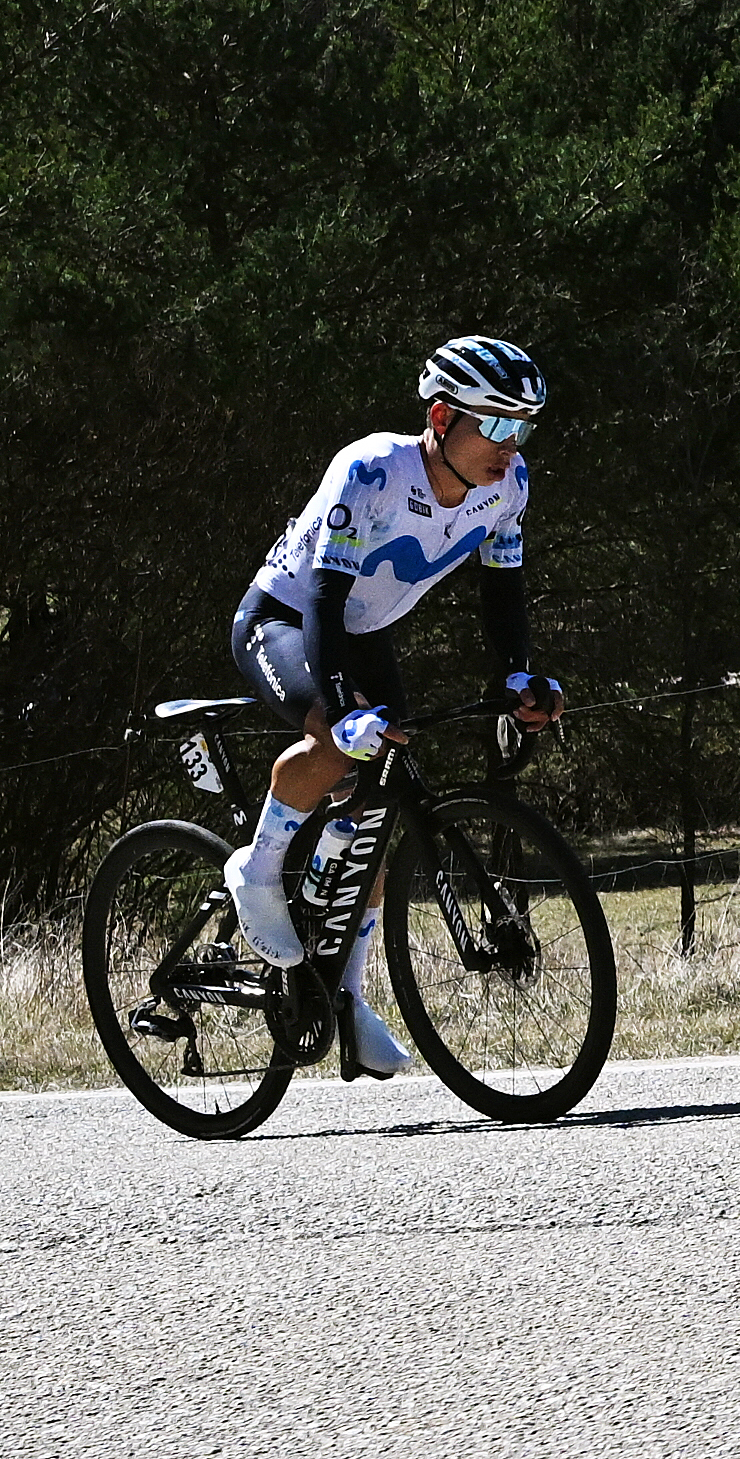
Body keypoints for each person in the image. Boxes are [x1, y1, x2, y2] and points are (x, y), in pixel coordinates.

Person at [226, 336, 566, 1074]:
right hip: (287, 619)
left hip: (363, 632)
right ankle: (257, 870)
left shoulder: (510, 485)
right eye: (495, 424)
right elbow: (323, 598)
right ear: (441, 417)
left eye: (523, 427)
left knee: (380, 807)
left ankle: (345, 996)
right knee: (339, 739)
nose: (510, 445)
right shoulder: (373, 469)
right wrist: (342, 707)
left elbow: (503, 588)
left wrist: (518, 677)